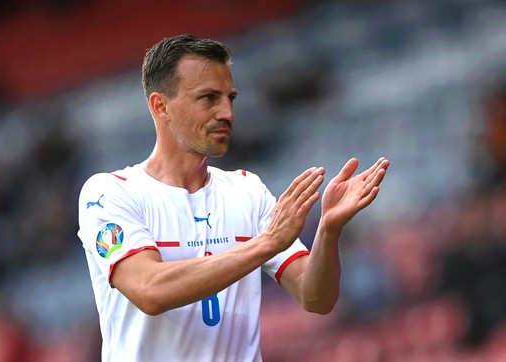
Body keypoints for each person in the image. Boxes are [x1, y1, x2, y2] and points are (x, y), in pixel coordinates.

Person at [77, 34, 389, 362]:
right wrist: (266, 244)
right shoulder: (109, 193)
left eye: (230, 98)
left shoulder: (246, 191)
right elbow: (150, 290)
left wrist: (328, 230)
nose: (227, 112)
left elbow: (316, 299)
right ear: (160, 106)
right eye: (209, 98)